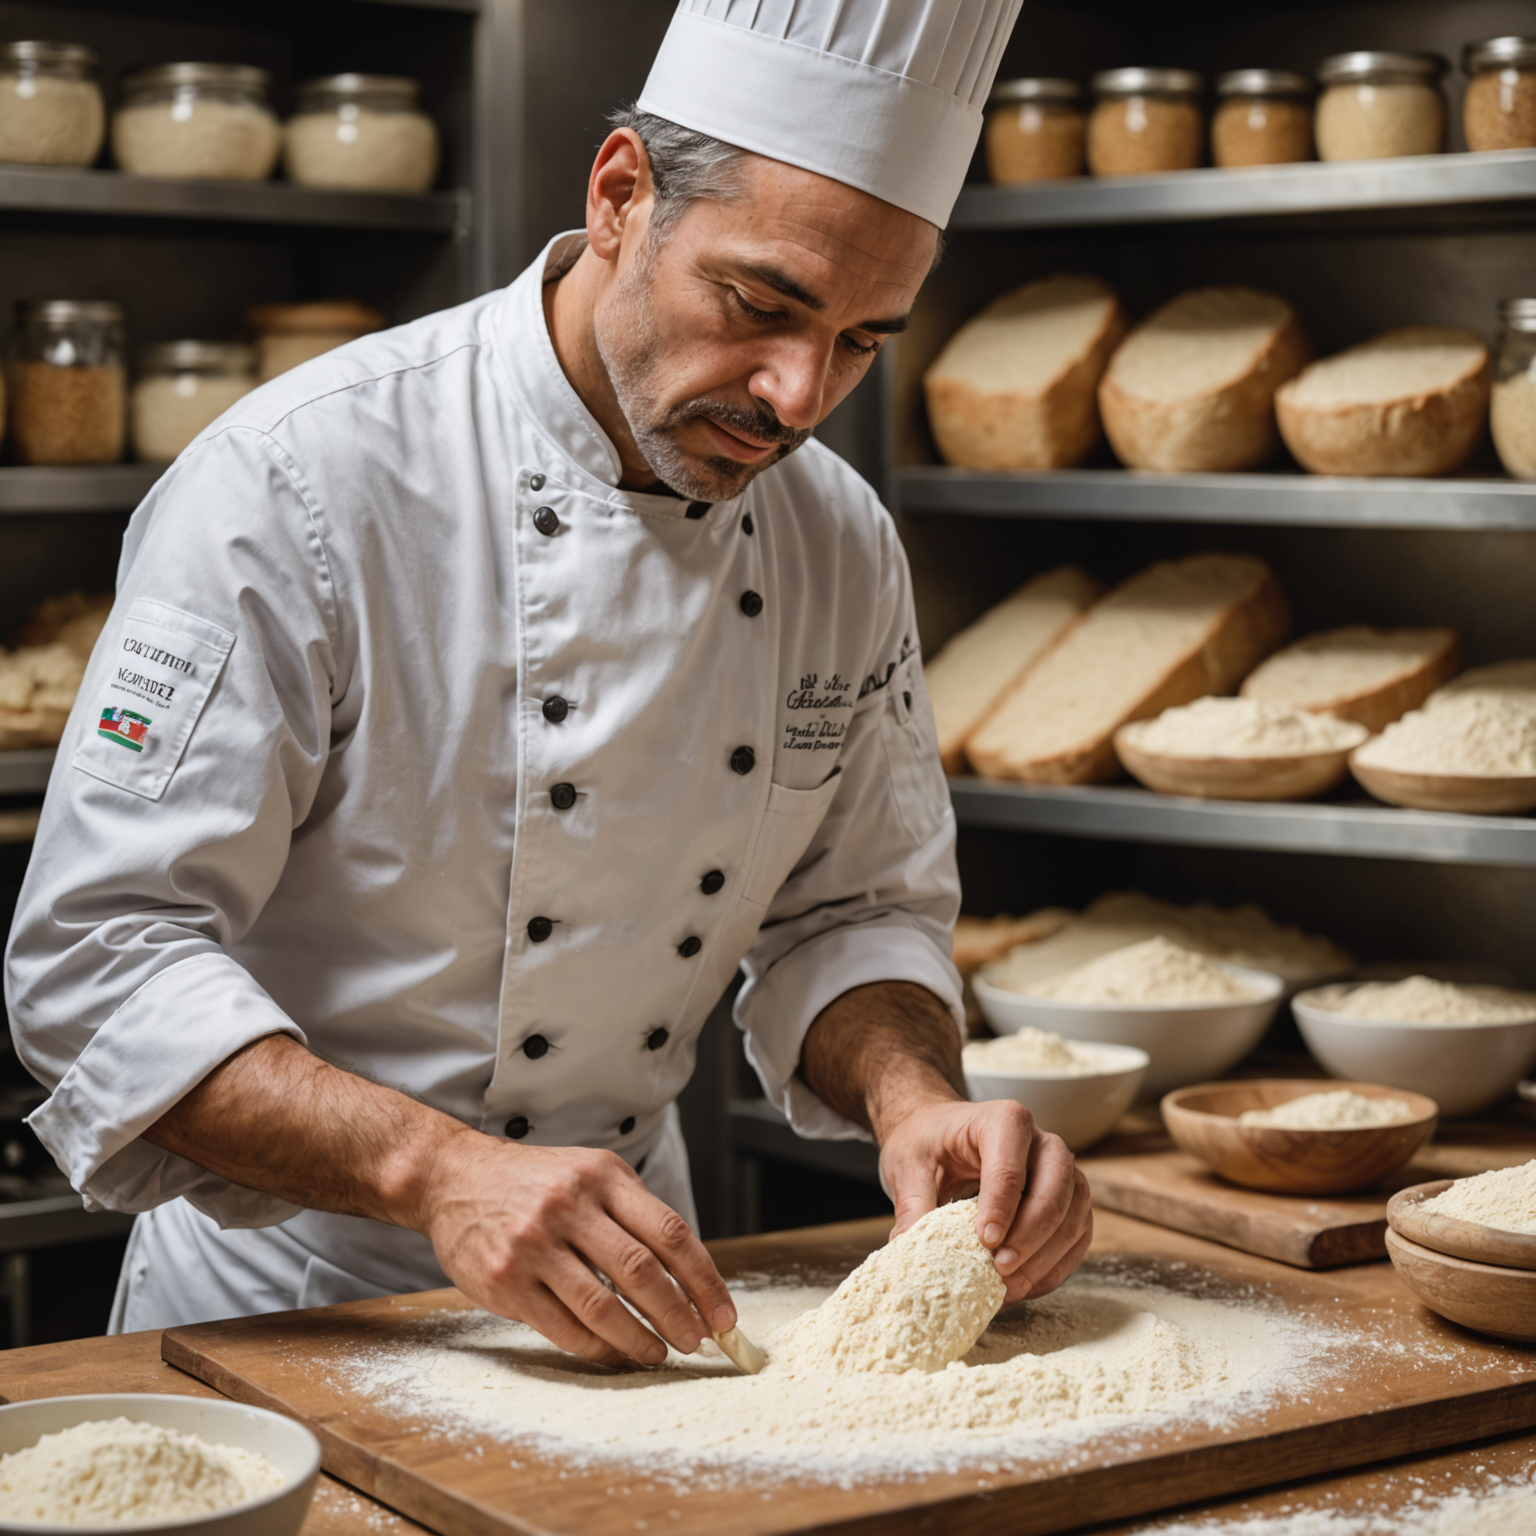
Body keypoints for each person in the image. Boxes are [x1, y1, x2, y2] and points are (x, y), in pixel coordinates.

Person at [5, 0, 1090, 1364]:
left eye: (867, 339)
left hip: (637, 1314)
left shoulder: (837, 541)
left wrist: (913, 1097)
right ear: (622, 194)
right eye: (761, 303)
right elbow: (101, 964)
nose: (803, 394)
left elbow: (851, 913)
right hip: (284, 1312)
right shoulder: (298, 482)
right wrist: (440, 1176)